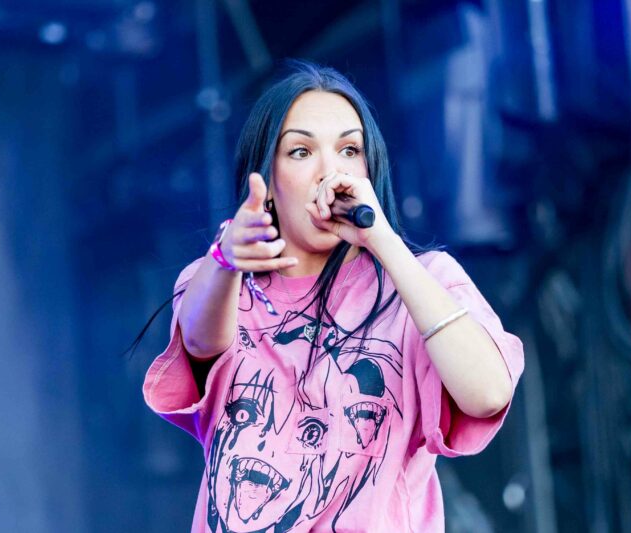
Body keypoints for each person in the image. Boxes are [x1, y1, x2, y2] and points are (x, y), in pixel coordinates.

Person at [142, 60, 524, 533]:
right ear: (268, 180)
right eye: (301, 151)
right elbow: (200, 341)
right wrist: (225, 259)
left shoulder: (422, 282)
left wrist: (381, 238)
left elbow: (487, 394)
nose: (331, 171)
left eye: (349, 150)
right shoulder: (221, 285)